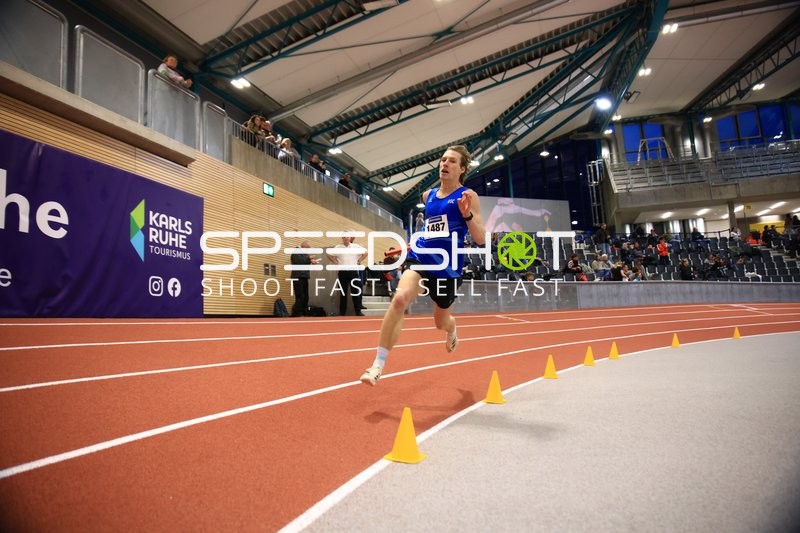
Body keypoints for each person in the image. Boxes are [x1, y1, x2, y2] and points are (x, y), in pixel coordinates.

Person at [360, 145, 486, 386]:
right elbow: (433, 229)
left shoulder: (468, 196)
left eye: (451, 161)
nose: (445, 164)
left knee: (440, 322)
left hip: (448, 266)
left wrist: (467, 215)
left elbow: (480, 239)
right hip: (423, 257)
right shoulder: (428, 196)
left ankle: (452, 329)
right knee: (399, 299)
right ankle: (377, 364)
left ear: (461, 169)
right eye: (443, 160)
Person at [326, 234, 367, 316]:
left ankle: (358, 311)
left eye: (347, 237)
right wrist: (335, 262)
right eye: (344, 237)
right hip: (342, 272)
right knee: (343, 292)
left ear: (350, 238)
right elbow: (328, 253)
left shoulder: (356, 246)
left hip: (353, 272)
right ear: (342, 238)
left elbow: (366, 252)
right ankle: (342, 312)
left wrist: (359, 260)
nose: (346, 238)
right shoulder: (338, 247)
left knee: (355, 292)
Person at [290, 241, 319, 316]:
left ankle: (303, 312)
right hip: (298, 276)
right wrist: (309, 259)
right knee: (300, 296)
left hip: (304, 276)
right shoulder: (296, 252)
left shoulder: (303, 254)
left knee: (306, 296)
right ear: (303, 247)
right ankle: (297, 313)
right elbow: (300, 261)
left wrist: (312, 261)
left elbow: (304, 261)